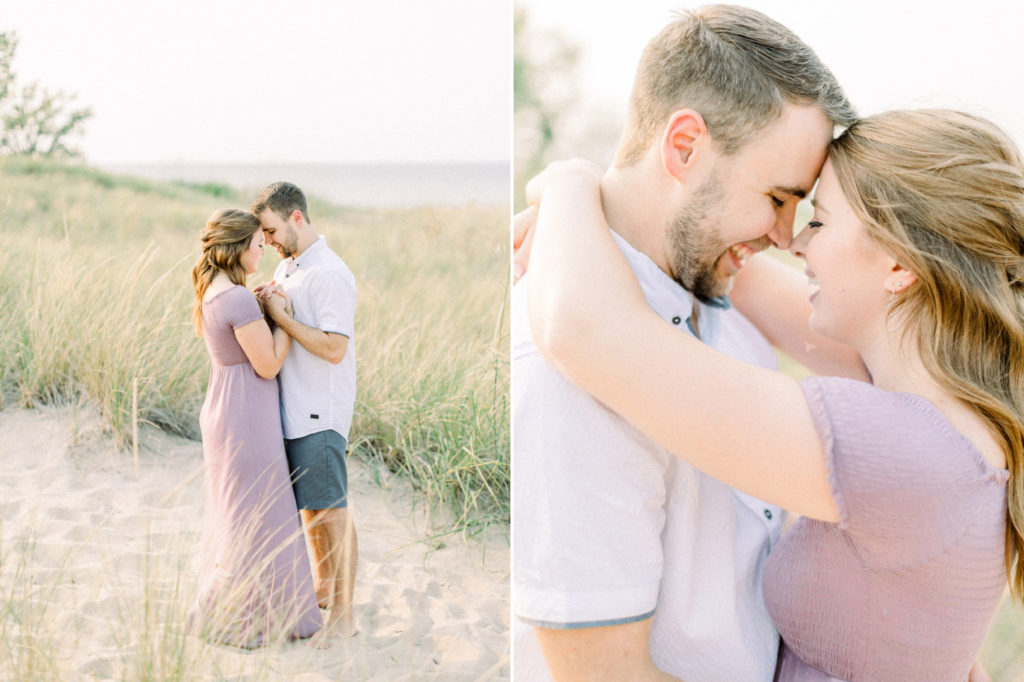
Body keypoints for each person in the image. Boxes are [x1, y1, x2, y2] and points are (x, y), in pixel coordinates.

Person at [523, 108, 1024, 681]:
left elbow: (586, 331)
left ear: (897, 263)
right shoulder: (961, 401)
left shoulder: (903, 450)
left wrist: (567, 184)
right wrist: (603, 217)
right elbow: (723, 266)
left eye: (821, 221)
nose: (796, 243)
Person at [511, 5, 857, 680]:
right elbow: (604, 675)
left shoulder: (719, 290)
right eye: (778, 197)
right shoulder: (570, 377)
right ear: (685, 146)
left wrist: (569, 180)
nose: (786, 236)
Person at [187, 208, 321, 647]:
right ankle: (240, 618)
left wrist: (262, 308)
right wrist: (281, 315)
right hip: (246, 415)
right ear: (241, 245)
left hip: (226, 408)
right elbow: (266, 365)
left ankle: (243, 611)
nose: (264, 250)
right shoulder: (240, 300)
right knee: (260, 516)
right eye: (259, 244)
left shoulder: (215, 290)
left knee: (240, 514)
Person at [251, 182, 359, 645]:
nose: (269, 240)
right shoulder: (290, 266)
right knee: (312, 514)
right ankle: (322, 590)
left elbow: (334, 349)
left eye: (272, 230)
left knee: (332, 515)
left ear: (296, 217)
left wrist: (284, 319)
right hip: (293, 410)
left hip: (321, 412)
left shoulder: (330, 273)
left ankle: (345, 615)